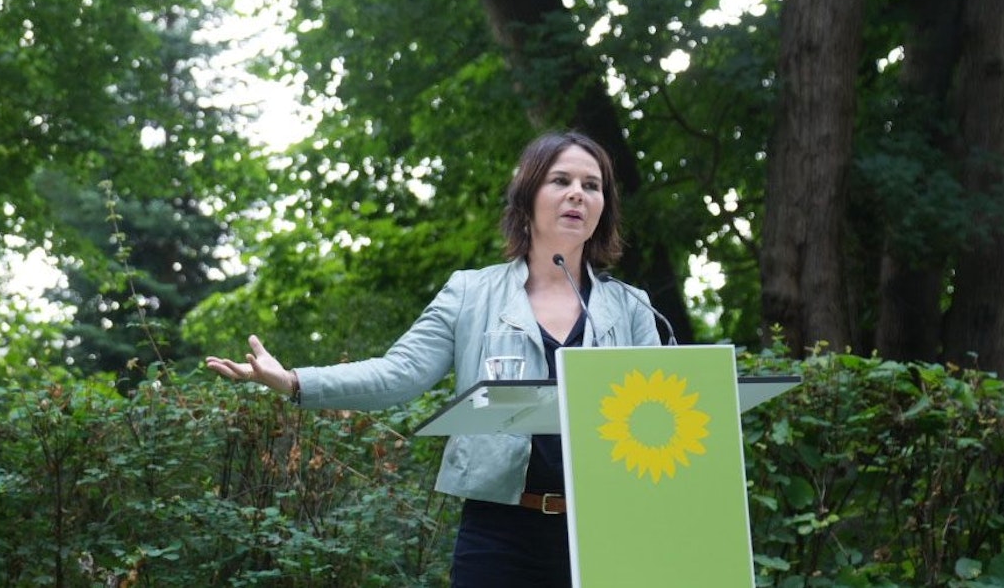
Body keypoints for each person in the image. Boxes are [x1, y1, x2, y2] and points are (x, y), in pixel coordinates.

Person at [205, 131, 663, 587]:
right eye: (561, 180)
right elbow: (399, 374)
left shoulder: (633, 307)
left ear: (603, 207)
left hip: (609, 526)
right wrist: (294, 381)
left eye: (591, 185)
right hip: (500, 534)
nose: (577, 194)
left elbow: (659, 420)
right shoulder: (469, 293)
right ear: (527, 195)